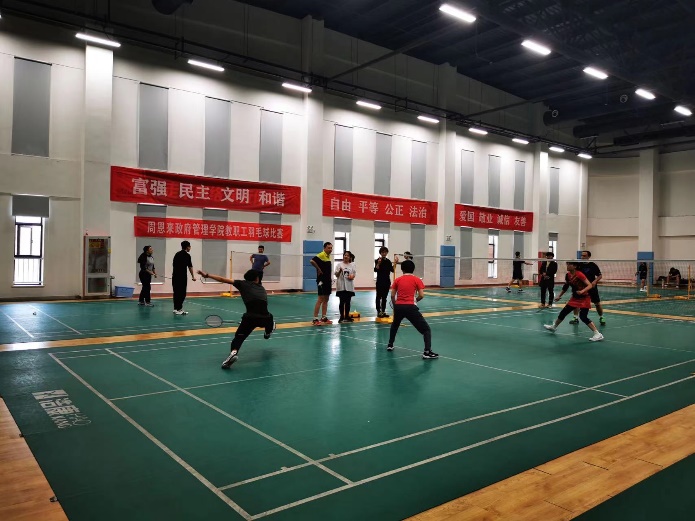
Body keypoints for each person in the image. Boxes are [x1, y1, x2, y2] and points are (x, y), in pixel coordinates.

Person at [197, 269, 275, 369]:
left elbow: (222, 279)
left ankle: (233, 353)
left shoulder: (242, 284)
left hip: (249, 318)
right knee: (270, 318)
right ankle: (268, 332)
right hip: (265, 318)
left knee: (239, 338)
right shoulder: (262, 288)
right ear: (257, 278)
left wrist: (207, 275)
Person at [386, 260, 438, 359]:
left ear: (402, 269)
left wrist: (395, 305)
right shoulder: (417, 280)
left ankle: (390, 344)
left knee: (395, 325)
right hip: (410, 307)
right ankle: (427, 352)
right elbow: (421, 295)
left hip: (399, 307)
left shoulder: (397, 280)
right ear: (413, 269)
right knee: (426, 329)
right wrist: (415, 301)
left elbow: (392, 295)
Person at [544, 261, 604, 342]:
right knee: (563, 312)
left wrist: (582, 291)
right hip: (575, 298)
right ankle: (554, 327)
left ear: (575, 266)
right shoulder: (568, 275)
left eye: (569, 264)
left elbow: (590, 285)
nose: (567, 266)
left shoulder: (579, 274)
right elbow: (566, 286)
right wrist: (559, 296)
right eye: (567, 264)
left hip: (584, 297)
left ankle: (597, 334)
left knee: (583, 317)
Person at [571, 250, 605, 325]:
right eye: (581, 255)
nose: (582, 257)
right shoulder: (578, 265)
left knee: (597, 303)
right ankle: (575, 317)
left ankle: (601, 317)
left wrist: (595, 281)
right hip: (580, 287)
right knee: (576, 302)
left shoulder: (593, 265)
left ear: (588, 256)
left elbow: (600, 276)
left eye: (584, 256)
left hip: (591, 287)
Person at [310, 242, 333, 325]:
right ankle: (315, 319)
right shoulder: (321, 255)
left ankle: (324, 317)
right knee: (320, 299)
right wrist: (318, 269)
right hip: (321, 281)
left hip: (327, 281)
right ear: (324, 248)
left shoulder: (328, 256)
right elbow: (311, 261)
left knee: (326, 299)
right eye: (328, 248)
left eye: (331, 248)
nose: (330, 249)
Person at [172, 240, 196, 315]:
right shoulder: (187, 256)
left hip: (175, 276)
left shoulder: (177, 254)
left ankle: (175, 309)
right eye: (190, 247)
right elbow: (190, 267)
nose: (190, 248)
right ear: (187, 247)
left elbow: (174, 265)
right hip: (182, 277)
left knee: (176, 292)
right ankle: (179, 309)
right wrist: (193, 276)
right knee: (182, 293)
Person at [374, 247, 398, 318]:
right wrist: (378, 263)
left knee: (384, 297)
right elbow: (375, 269)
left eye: (385, 252)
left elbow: (392, 270)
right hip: (379, 281)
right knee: (378, 297)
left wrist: (395, 263)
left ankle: (383, 311)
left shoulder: (388, 261)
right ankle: (379, 311)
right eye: (382, 252)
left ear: (387, 253)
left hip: (387, 282)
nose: (384, 253)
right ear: (380, 253)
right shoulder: (378, 260)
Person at [335, 251, 356, 323]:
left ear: (350, 257)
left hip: (349, 286)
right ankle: (341, 317)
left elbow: (353, 274)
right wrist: (340, 271)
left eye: (347, 255)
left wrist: (352, 276)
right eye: (345, 255)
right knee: (341, 302)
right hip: (341, 286)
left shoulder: (352, 265)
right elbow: (336, 275)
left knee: (348, 302)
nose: (346, 256)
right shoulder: (339, 265)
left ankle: (347, 316)